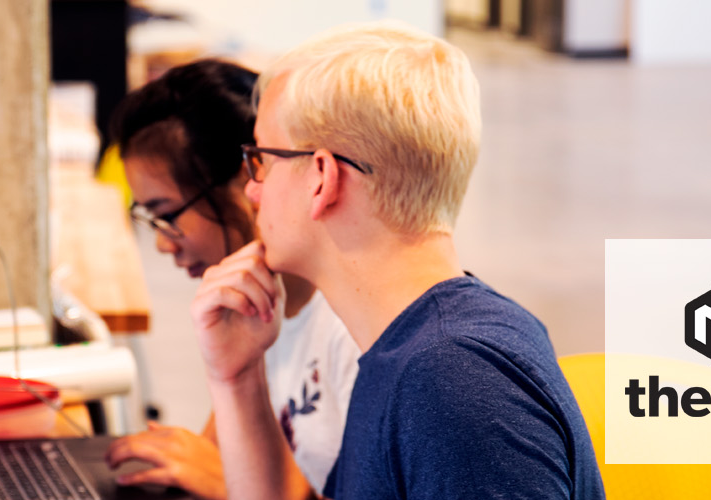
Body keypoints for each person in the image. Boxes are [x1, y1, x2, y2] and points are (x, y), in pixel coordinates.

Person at [193, 22, 605, 499]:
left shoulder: (450, 383)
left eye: (261, 158)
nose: (252, 188)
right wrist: (236, 376)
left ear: (321, 178)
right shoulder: (404, 353)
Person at [101, 59, 361, 500]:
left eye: (168, 216)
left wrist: (231, 484)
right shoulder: (255, 300)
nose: (165, 245)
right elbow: (211, 448)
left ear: (251, 178)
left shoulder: (353, 331)